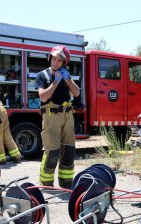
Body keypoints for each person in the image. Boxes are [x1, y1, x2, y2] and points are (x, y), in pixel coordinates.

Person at [36, 45, 80, 188]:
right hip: (51, 116)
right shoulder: (42, 76)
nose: (55, 62)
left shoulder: (66, 75)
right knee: (52, 153)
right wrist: (55, 81)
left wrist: (68, 80)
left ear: (64, 63)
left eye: (59, 61)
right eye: (54, 59)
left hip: (67, 115)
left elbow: (77, 93)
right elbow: (43, 97)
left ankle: (66, 182)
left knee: (69, 151)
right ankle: (46, 183)